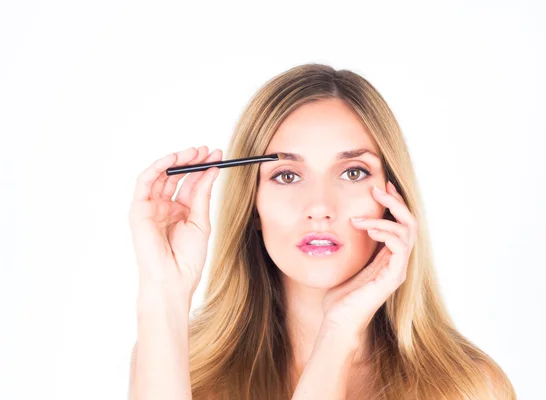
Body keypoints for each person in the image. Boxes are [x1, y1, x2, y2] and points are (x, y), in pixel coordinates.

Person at [127, 63, 516, 399]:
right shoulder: (180, 366)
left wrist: (339, 330)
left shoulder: (466, 388)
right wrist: (165, 289)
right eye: (287, 175)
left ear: (394, 199)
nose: (319, 207)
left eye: (353, 172)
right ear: (253, 206)